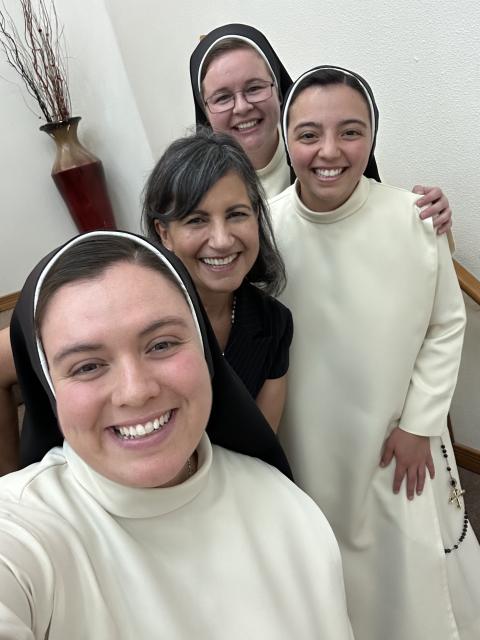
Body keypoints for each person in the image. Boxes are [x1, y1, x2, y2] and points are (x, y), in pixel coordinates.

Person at [0, 230, 354, 639]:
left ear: (205, 351)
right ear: (50, 387)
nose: (135, 391)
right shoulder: (27, 531)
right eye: (87, 366)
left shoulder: (283, 503)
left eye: (162, 344)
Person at [269, 65, 480, 640]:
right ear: (287, 138)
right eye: (309, 133)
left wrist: (420, 424)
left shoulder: (413, 219)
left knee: (410, 571)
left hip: (396, 441)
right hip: (308, 444)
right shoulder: (267, 231)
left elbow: (445, 325)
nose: (329, 151)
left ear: (373, 136)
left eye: (350, 131)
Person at [189, 22, 453, 238]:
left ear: (278, 90)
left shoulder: (316, 150)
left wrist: (427, 217)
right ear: (205, 109)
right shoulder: (194, 188)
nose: (242, 107)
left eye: (255, 87)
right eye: (222, 98)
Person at [142, 128, 292, 432]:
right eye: (197, 220)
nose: (222, 241)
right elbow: (16, 357)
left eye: (236, 214)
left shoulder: (273, 323)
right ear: (164, 233)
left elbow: (262, 448)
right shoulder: (131, 315)